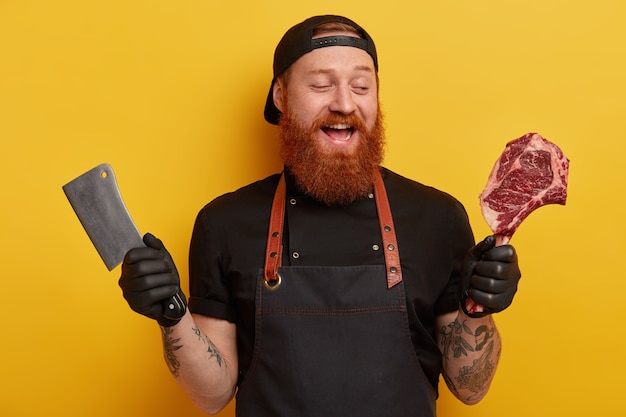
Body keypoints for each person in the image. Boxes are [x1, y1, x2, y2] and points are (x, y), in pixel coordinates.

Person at [119, 15, 522, 417]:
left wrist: (477, 308)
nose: (345, 103)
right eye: (320, 84)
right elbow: (212, 396)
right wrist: (171, 315)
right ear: (281, 95)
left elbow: (470, 388)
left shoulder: (438, 219)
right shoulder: (223, 224)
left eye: (361, 86)